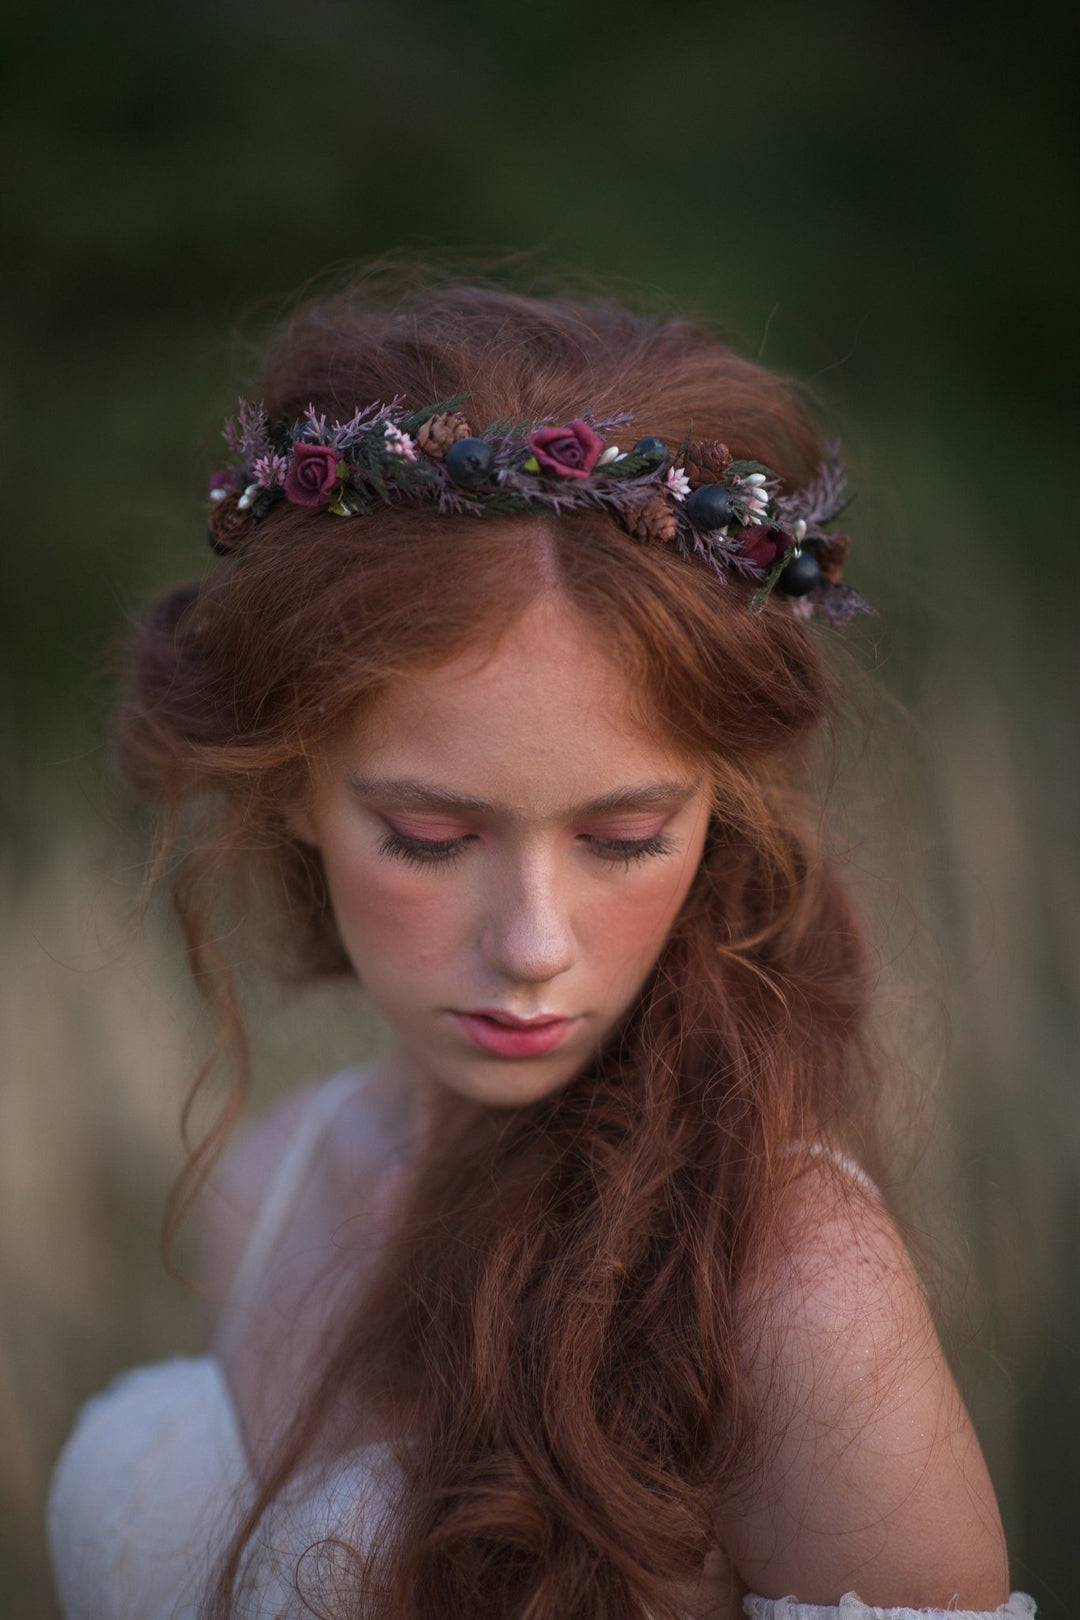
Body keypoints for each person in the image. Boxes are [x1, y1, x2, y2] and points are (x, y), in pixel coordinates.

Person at [46, 265, 1035, 1620]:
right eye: (431, 837)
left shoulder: (788, 1287)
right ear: (292, 791)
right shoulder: (264, 1190)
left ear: (721, 817)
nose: (532, 944)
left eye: (625, 839)